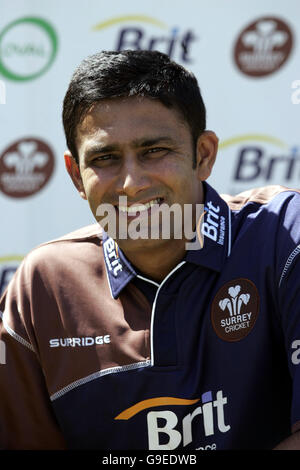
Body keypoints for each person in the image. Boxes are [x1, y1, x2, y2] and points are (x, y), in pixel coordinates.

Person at [0, 50, 300, 451]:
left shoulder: (284, 237)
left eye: (154, 151)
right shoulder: (44, 287)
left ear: (203, 155)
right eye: (105, 158)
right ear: (76, 175)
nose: (131, 183)